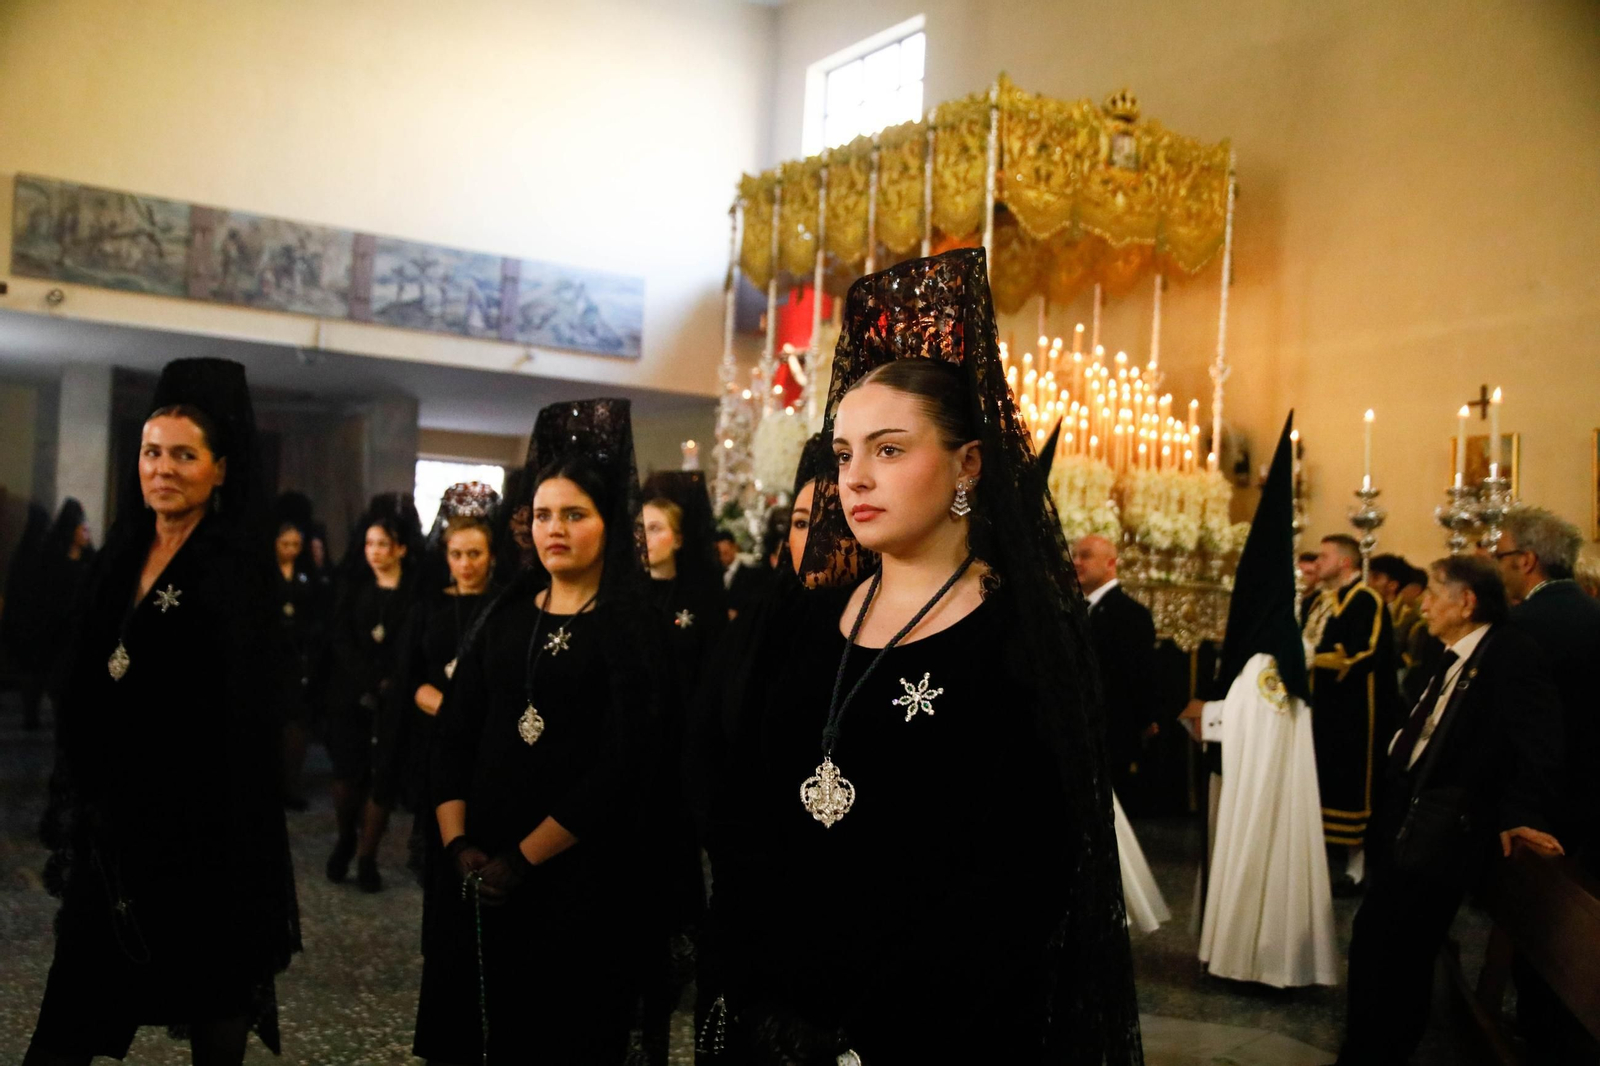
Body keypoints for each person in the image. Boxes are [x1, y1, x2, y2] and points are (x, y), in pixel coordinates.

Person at [702, 249, 1140, 1064]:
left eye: (890, 450)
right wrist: (767, 996)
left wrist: (870, 1031)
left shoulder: (1019, 641)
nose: (854, 480)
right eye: (842, 454)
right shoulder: (808, 625)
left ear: (968, 464)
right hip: (780, 1019)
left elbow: (1021, 882)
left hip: (933, 1031)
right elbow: (749, 819)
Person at [25, 357, 299, 1065]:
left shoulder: (237, 572)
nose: (164, 469)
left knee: (212, 1000)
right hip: (114, 830)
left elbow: (247, 712)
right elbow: (82, 670)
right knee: (68, 1015)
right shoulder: (120, 555)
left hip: (201, 837)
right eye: (152, 452)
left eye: (185, 455)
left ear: (220, 470)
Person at [414, 398, 672, 1064]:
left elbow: (621, 765)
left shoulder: (629, 626)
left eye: (575, 515)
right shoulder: (504, 615)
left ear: (609, 524)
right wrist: (459, 843)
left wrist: (523, 859)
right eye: (544, 515)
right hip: (475, 869)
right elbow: (455, 731)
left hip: (575, 880)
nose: (554, 529)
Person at [1333, 555, 1563, 1066]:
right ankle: (1366, 1050)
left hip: (1445, 831)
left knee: (1398, 951)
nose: (1425, 604)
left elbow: (1538, 741)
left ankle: (1377, 1054)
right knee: (1376, 943)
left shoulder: (1510, 653)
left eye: (1436, 593)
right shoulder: (1452, 652)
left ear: (1467, 601)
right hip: (1409, 818)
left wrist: (1522, 813)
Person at [1179, 415, 1336, 988]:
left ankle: (1259, 958)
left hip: (1262, 793)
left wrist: (1207, 716)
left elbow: (1262, 725)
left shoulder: (1269, 657)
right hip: (1247, 781)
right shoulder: (1268, 648)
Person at [1493, 505, 1600, 1063]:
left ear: (1527, 561)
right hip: (1589, 799)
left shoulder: (1524, 626)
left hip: (1538, 801)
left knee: (1539, 928)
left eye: (1502, 555)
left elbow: (1510, 726)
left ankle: (1539, 1028)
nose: (1498, 567)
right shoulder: (1592, 612)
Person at [399, 483, 501, 875]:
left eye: (475, 554)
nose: (466, 563)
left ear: (491, 556)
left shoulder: (503, 605)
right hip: (435, 729)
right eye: (456, 554)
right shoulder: (430, 607)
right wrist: (442, 706)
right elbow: (412, 675)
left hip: (485, 733)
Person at [324, 493, 422, 893]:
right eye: (369, 544)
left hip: (395, 697)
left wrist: (392, 683)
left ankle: (367, 855)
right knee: (348, 775)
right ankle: (346, 835)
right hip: (351, 692)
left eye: (382, 544)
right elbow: (340, 639)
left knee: (383, 776)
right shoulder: (353, 586)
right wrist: (367, 678)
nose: (375, 552)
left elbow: (413, 645)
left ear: (399, 547)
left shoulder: (415, 593)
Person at [1303, 533, 1402, 894]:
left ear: (1345, 562)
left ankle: (1357, 867)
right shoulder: (1320, 602)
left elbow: (1367, 651)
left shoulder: (1366, 600)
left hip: (1356, 712)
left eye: (1324, 557)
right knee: (1324, 781)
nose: (1317, 564)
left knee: (1352, 785)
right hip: (1322, 709)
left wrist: (1319, 659)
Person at [1074, 533, 1159, 807]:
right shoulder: (1075, 609)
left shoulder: (1130, 614)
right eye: (1074, 556)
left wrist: (1144, 721)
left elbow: (1138, 675)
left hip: (1112, 734)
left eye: (1085, 556)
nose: (1076, 562)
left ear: (1111, 563)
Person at [3, 499, 95, 731]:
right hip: (50, 627)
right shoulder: (51, 558)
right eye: (82, 529)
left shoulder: (87, 561)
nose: (86, 534)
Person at [273, 518, 321, 811]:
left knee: (295, 723)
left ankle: (291, 785)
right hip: (271, 654)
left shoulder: (306, 573)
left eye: (296, 545)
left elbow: (315, 609)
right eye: (285, 544)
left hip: (297, 655)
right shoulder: (265, 573)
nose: (291, 550)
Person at [718, 529, 769, 619]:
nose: (721, 558)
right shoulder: (715, 574)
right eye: (719, 554)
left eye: (725, 553)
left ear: (734, 547)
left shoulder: (753, 574)